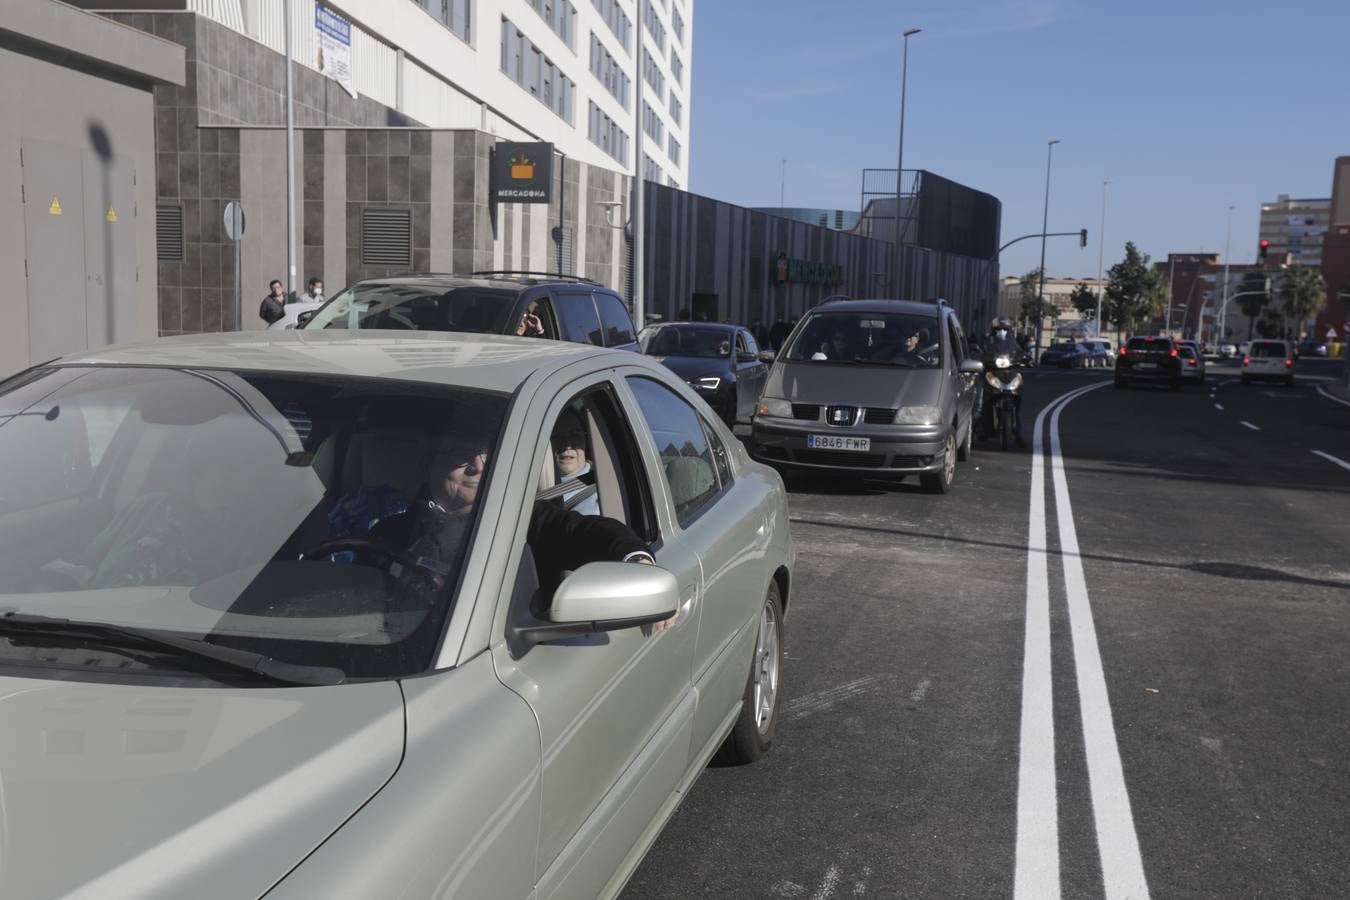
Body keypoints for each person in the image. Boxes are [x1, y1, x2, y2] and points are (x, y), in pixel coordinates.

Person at [981, 316, 1026, 447]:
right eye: (999, 329)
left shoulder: (1012, 343)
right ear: (993, 330)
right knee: (980, 400)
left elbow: (1019, 352)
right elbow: (982, 352)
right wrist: (981, 358)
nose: (1002, 332)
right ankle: (982, 428)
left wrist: (1025, 358)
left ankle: (1019, 434)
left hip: (1010, 373)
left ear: (1009, 330)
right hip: (991, 372)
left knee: (1018, 404)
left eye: (1004, 329)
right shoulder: (988, 342)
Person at [552, 409, 599, 516]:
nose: (567, 444)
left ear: (586, 441)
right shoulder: (529, 484)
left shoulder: (603, 490)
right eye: (557, 436)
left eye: (575, 435)